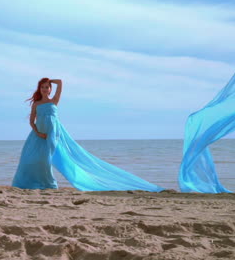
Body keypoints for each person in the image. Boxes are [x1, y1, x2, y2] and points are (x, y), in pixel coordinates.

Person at [11, 77, 164, 192]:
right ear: (39, 89)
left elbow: (61, 83)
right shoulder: (37, 104)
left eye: (47, 87)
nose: (45, 89)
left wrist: (51, 80)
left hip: (53, 134)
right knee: (29, 159)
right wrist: (38, 133)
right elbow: (32, 121)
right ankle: (27, 184)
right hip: (37, 135)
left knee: (45, 160)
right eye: (42, 87)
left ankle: (48, 185)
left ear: (50, 89)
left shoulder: (54, 101)